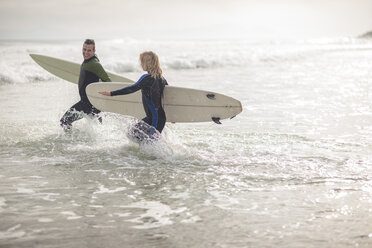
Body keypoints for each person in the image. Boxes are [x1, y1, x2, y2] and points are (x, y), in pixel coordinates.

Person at [99, 51, 168, 140]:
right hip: (160, 119)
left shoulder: (146, 78)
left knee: (133, 134)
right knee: (141, 139)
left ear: (147, 63)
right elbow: (168, 97)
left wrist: (111, 93)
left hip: (153, 120)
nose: (140, 64)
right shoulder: (162, 79)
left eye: (141, 61)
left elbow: (131, 88)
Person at [60, 39, 111, 131]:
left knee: (64, 121)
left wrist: (106, 100)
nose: (85, 53)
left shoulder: (95, 64)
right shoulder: (90, 60)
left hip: (87, 104)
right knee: (99, 129)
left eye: (89, 50)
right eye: (84, 49)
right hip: (92, 104)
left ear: (94, 51)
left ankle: (71, 141)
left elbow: (107, 81)